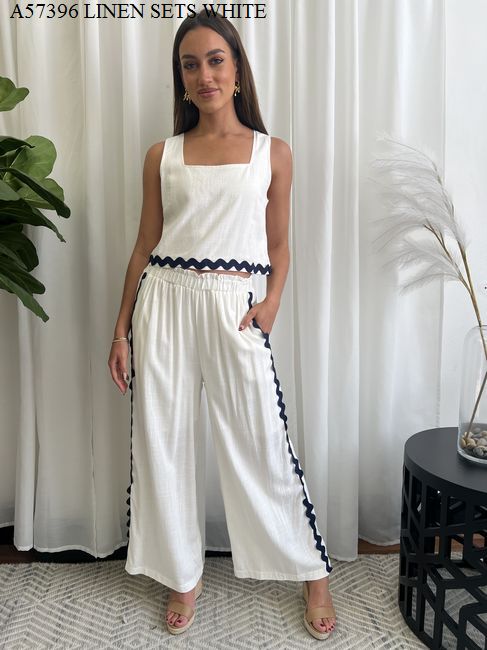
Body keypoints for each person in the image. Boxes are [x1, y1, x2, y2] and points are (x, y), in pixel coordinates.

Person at [108, 9, 336, 641]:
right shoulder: (162, 156)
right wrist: (121, 329)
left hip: (235, 306)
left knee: (261, 442)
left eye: (215, 60)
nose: (204, 75)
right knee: (164, 443)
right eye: (191, 65)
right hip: (165, 303)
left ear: (237, 70)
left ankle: (311, 570)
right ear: (181, 79)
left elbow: (279, 245)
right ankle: (183, 573)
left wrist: (272, 302)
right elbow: (144, 245)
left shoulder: (273, 153)